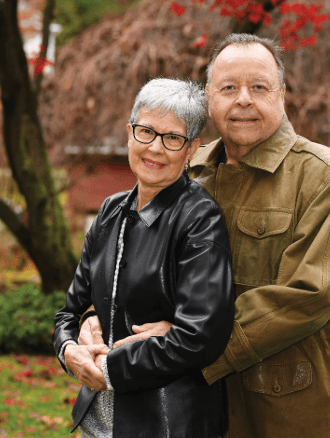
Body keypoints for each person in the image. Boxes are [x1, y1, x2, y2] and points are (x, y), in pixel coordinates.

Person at [80, 34, 330, 437]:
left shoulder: (324, 177)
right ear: (208, 97)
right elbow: (135, 260)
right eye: (228, 87)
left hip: (298, 404)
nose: (243, 100)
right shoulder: (186, 165)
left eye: (259, 87)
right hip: (203, 406)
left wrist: (191, 337)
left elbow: (309, 295)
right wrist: (96, 314)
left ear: (282, 95)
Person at [53, 78, 235, 438]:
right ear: (129, 133)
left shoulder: (200, 218)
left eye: (173, 138)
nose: (155, 148)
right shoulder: (109, 211)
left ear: (191, 149)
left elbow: (201, 336)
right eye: (146, 131)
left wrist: (108, 370)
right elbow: (69, 312)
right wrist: (68, 349)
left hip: (166, 423)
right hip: (99, 422)